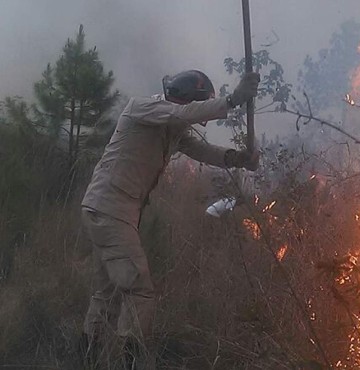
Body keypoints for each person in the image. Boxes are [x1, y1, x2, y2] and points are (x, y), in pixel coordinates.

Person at [79, 69, 260, 368]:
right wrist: (234, 99)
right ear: (187, 98)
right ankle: (132, 362)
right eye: (196, 107)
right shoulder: (143, 107)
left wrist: (237, 158)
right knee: (139, 291)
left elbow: (202, 150)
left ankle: (87, 358)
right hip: (110, 210)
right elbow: (182, 115)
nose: (197, 120)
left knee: (106, 290)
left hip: (111, 211)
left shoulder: (170, 127)